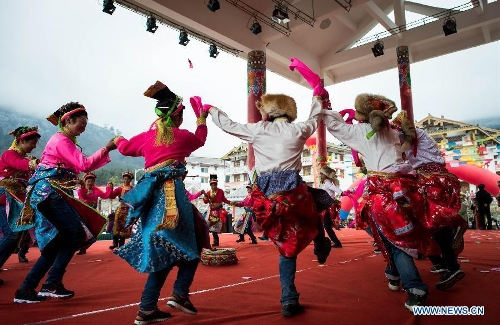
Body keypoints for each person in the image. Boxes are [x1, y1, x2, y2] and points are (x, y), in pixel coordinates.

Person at [206, 86, 332, 317]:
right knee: (317, 206)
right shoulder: (298, 129)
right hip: (294, 193)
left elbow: (228, 125)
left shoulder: (258, 130)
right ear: (289, 113)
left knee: (287, 249)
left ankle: (288, 300)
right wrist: (317, 97)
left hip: (267, 198)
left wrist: (212, 110)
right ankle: (321, 243)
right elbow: (315, 118)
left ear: (269, 113)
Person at [112, 81, 208, 324]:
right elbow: (200, 139)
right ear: (177, 114)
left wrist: (118, 139)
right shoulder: (181, 136)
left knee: (169, 245)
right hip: (172, 196)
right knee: (192, 244)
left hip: (151, 198)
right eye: (183, 114)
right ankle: (172, 296)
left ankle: (154, 305)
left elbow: (124, 148)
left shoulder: (146, 138)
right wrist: (202, 119)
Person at [324, 93, 430, 311]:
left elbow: (335, 126)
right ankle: (392, 272)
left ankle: (414, 286)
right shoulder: (393, 131)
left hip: (382, 194)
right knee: (390, 234)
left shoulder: (363, 131)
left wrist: (323, 103)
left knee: (392, 239)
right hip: (405, 189)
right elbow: (409, 145)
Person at [12, 102, 116, 303]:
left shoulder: (65, 141)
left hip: (53, 194)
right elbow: (84, 164)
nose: (84, 128)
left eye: (86, 124)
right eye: (81, 123)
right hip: (49, 194)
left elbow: (80, 164)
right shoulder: (61, 140)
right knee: (74, 234)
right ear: (68, 120)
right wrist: (108, 147)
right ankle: (47, 283)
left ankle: (36, 286)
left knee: (64, 238)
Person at [394, 121, 467, 289]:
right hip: (439, 180)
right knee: (427, 225)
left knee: (432, 225)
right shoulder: (420, 138)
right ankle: (440, 260)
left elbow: (391, 144)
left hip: (430, 183)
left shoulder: (411, 135)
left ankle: (451, 266)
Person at [0, 126, 40, 286]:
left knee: (16, 236)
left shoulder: (26, 158)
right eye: (32, 142)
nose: (34, 146)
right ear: (21, 141)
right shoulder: (10, 155)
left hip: (17, 202)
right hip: (4, 199)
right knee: (11, 235)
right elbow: (20, 164)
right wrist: (35, 163)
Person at [76, 172, 112, 254]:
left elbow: (105, 196)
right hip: (83, 213)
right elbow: (81, 196)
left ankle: (84, 248)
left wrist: (109, 188)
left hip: (92, 214)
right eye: (88, 181)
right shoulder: (82, 190)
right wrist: (82, 187)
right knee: (83, 230)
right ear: (85, 182)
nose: (90, 183)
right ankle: (81, 247)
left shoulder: (96, 190)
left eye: (92, 181)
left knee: (91, 231)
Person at [107, 171, 134, 250]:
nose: (126, 181)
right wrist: (110, 188)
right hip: (120, 210)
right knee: (116, 227)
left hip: (128, 211)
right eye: (124, 179)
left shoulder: (133, 189)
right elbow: (112, 196)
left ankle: (121, 244)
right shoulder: (119, 189)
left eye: (127, 179)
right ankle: (115, 243)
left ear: (130, 180)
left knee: (125, 227)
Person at [202, 175, 230, 247]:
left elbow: (224, 200)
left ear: (216, 185)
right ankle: (205, 241)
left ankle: (216, 241)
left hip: (218, 211)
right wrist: (205, 196)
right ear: (210, 185)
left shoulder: (220, 191)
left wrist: (232, 203)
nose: (213, 186)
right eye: (212, 185)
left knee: (215, 227)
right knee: (208, 226)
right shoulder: (208, 193)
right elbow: (205, 202)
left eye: (215, 184)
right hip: (211, 211)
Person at [318, 165, 342, 248]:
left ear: (325, 174)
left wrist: (343, 193)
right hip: (326, 205)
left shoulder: (327, 182)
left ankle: (336, 242)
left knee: (326, 225)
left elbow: (336, 189)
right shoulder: (326, 182)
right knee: (326, 225)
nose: (320, 175)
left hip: (328, 206)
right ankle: (335, 242)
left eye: (321, 173)